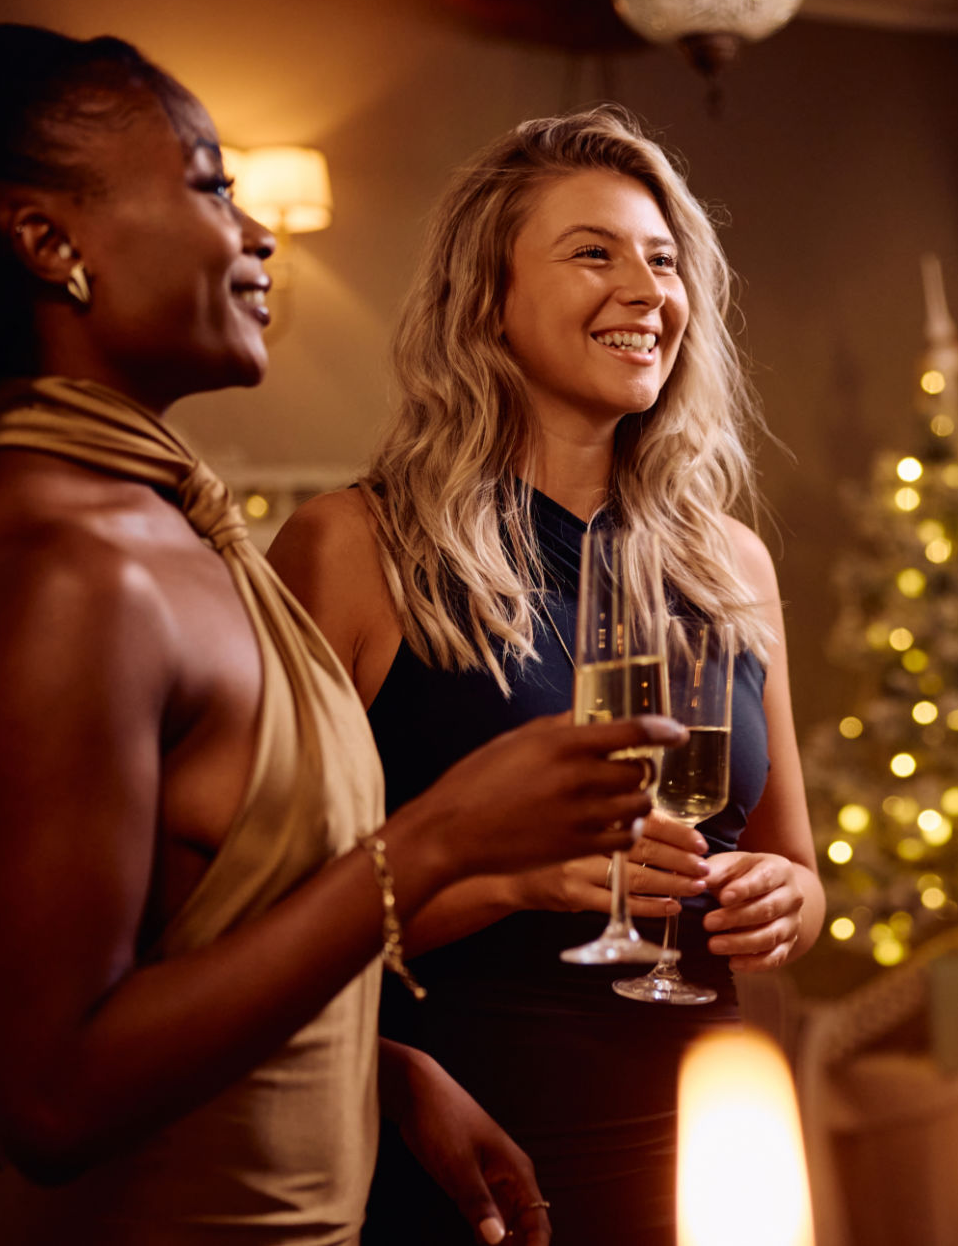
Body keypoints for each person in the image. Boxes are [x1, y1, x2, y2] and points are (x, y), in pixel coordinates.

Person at [0, 19, 671, 1245]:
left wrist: (380, 1073)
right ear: (49, 241)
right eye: (207, 186)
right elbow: (52, 1102)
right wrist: (438, 839)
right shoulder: (65, 567)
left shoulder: (163, 532)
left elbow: (181, 957)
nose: (256, 231)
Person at [270, 107, 824, 1245]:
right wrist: (516, 882)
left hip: (709, 1137)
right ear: (486, 300)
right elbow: (263, 933)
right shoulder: (353, 547)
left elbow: (799, 870)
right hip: (465, 1143)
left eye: (662, 260)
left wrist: (787, 902)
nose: (647, 290)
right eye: (592, 252)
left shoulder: (730, 563)